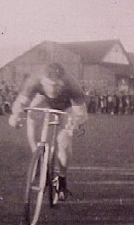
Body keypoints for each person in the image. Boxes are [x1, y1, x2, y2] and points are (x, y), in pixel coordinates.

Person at [8, 62, 88, 201]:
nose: (53, 89)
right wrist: (15, 115)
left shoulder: (72, 85)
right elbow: (20, 102)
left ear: (63, 82)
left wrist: (74, 123)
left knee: (63, 143)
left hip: (67, 106)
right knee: (31, 114)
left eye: (57, 85)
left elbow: (82, 114)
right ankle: (37, 157)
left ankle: (62, 179)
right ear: (42, 81)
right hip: (43, 101)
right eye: (49, 85)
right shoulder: (34, 80)